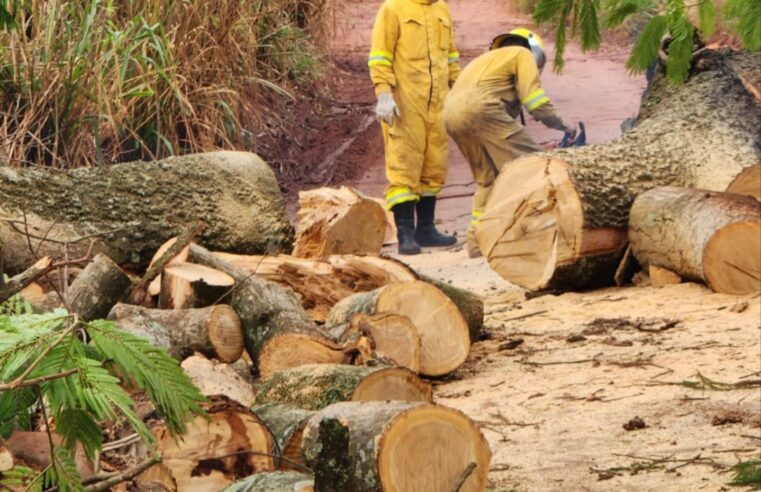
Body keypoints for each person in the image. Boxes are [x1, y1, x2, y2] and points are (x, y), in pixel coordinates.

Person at [443, 28, 577, 258]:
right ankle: (547, 234)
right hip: (482, 109)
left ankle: (476, 243)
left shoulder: (484, 61)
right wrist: (564, 125)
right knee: (534, 167)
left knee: (487, 180)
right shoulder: (521, 54)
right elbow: (535, 102)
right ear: (534, 51)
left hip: (450, 115)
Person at [368, 0, 461, 255]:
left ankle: (426, 229)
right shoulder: (394, 8)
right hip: (405, 104)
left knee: (434, 165)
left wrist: (459, 89)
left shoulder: (441, 9)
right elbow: (380, 55)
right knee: (404, 167)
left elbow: (451, 56)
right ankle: (405, 233)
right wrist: (383, 93)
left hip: (438, 103)